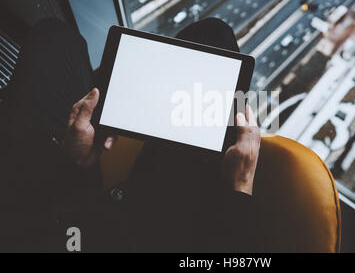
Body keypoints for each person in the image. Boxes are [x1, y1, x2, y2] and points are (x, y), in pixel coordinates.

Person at [0, 18, 261, 252]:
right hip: (133, 231)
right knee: (215, 38)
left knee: (54, 37)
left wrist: (75, 162)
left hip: (38, 219)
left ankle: (139, 98)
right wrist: (241, 184)